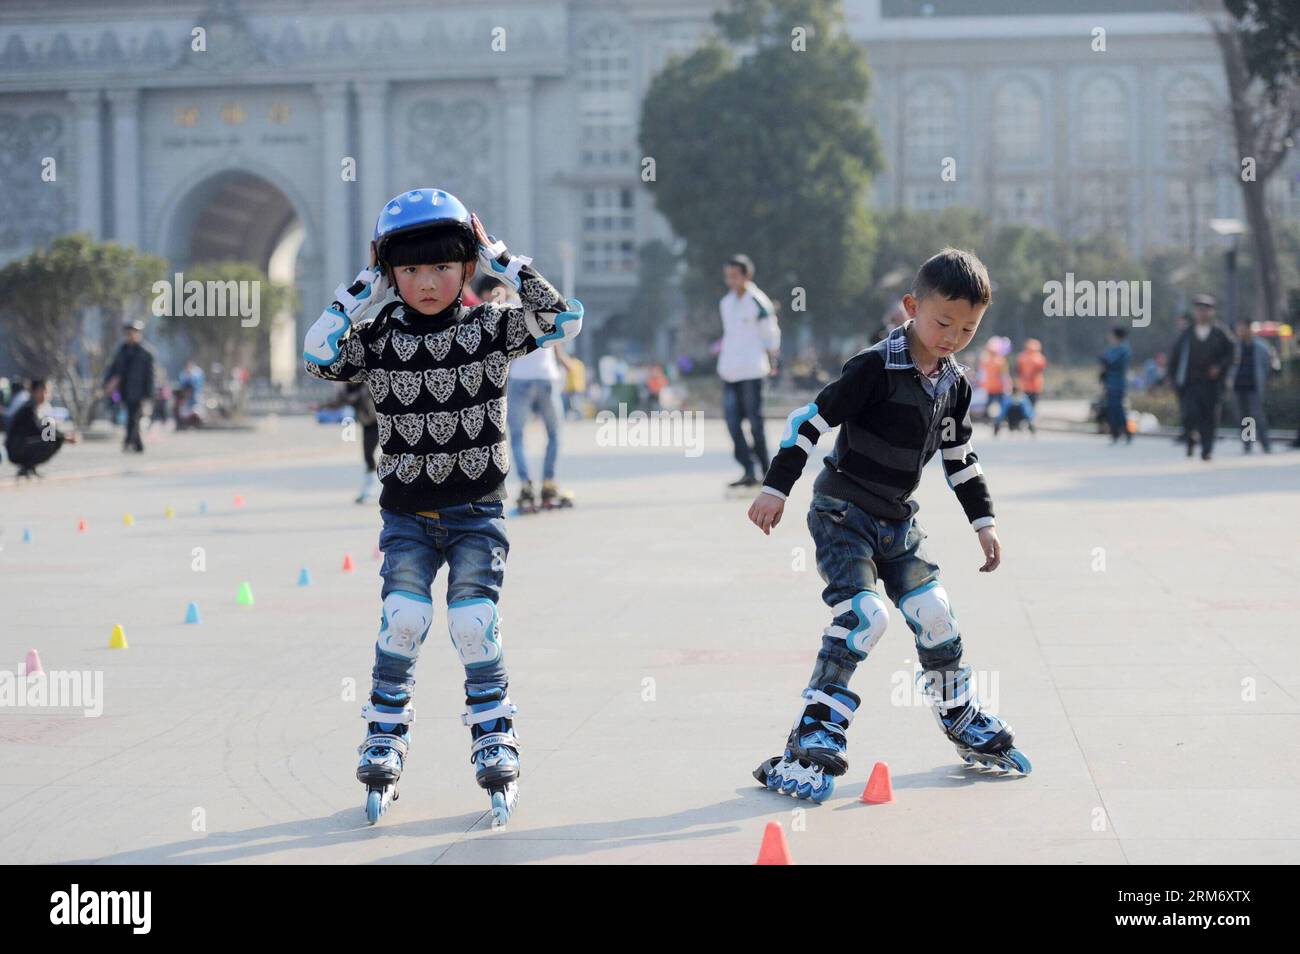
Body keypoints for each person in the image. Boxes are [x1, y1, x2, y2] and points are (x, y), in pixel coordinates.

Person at [302, 188, 582, 825]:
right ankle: (384, 732)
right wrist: (361, 291)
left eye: (442, 266)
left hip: (476, 511)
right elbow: (318, 354)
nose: (427, 282)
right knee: (402, 617)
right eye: (409, 269)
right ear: (389, 272)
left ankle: (494, 732)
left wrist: (502, 260)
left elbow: (560, 320)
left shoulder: (490, 327)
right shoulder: (375, 336)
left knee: (472, 623)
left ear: (466, 266)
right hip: (406, 514)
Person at [747, 247, 1029, 803]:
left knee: (936, 612)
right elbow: (810, 420)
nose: (952, 336)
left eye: (968, 328)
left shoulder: (955, 384)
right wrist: (776, 487)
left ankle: (960, 713)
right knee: (864, 617)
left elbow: (960, 459)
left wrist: (984, 522)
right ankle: (813, 732)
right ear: (910, 307)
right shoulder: (874, 367)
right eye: (942, 321)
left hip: (898, 522)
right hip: (842, 512)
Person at [489, 277, 576, 512]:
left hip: (519, 378)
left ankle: (526, 485)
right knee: (554, 433)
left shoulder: (507, 306)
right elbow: (556, 334)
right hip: (546, 376)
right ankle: (548, 483)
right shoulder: (544, 302)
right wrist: (564, 361)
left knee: (516, 436)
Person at [717, 253, 780, 488]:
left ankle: (766, 471)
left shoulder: (758, 302)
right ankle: (747, 469)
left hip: (753, 371)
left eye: (735, 276)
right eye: (728, 277)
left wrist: (773, 360)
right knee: (733, 423)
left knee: (755, 423)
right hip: (729, 370)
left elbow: (771, 334)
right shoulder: (725, 303)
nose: (730, 281)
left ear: (746, 276)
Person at [1170, 295, 1234, 461]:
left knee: (1210, 417)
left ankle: (1207, 449)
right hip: (1191, 383)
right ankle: (1191, 437)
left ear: (1212, 312)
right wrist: (1172, 378)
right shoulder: (1187, 333)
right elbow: (1174, 358)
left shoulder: (1221, 333)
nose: (1202, 313)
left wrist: (1219, 367)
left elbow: (1231, 354)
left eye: (1206, 310)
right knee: (1189, 414)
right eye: (1199, 310)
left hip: (1212, 384)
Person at [319, 379, 380, 501]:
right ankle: (371, 486)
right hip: (367, 424)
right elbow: (337, 402)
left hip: (379, 422)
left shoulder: (366, 385)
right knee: (368, 455)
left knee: (378, 454)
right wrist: (320, 406)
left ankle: (380, 485)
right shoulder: (347, 389)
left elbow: (361, 398)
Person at [4, 379, 79, 477]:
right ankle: (26, 466)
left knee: (54, 440)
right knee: (50, 441)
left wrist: (63, 436)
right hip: (15, 450)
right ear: (35, 391)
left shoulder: (39, 407)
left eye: (48, 392)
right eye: (44, 391)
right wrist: (64, 437)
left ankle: (30, 466)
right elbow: (38, 429)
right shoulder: (29, 408)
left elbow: (46, 427)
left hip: (22, 446)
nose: (46, 395)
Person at [102, 319, 157, 453]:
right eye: (128, 333)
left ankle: (127, 441)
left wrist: (149, 396)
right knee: (132, 417)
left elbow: (150, 376)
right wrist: (107, 383)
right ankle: (138, 445)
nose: (131, 336)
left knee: (133, 417)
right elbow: (113, 368)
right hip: (124, 391)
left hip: (139, 392)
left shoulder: (146, 353)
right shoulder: (122, 350)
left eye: (134, 333)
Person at [1230, 319, 1280, 454]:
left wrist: (1269, 379)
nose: (1240, 331)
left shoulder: (1261, 346)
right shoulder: (1235, 346)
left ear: (1249, 328)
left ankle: (1265, 443)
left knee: (1257, 415)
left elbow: (1271, 364)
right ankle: (1248, 443)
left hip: (1255, 385)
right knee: (1244, 417)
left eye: (1242, 328)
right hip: (1239, 385)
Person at [1099, 326, 1132, 445]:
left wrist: (1106, 362)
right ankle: (1114, 433)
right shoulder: (1111, 349)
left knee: (1118, 409)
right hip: (1110, 383)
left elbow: (1112, 362)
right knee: (1111, 409)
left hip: (1118, 383)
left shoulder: (1123, 350)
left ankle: (1126, 432)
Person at [1016, 338, 1046, 409]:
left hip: (1024, 385)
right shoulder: (1040, 358)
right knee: (1033, 402)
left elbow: (1018, 370)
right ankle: (1031, 416)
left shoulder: (1022, 357)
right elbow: (1040, 370)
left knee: (1025, 402)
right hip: (1035, 385)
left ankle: (1026, 415)